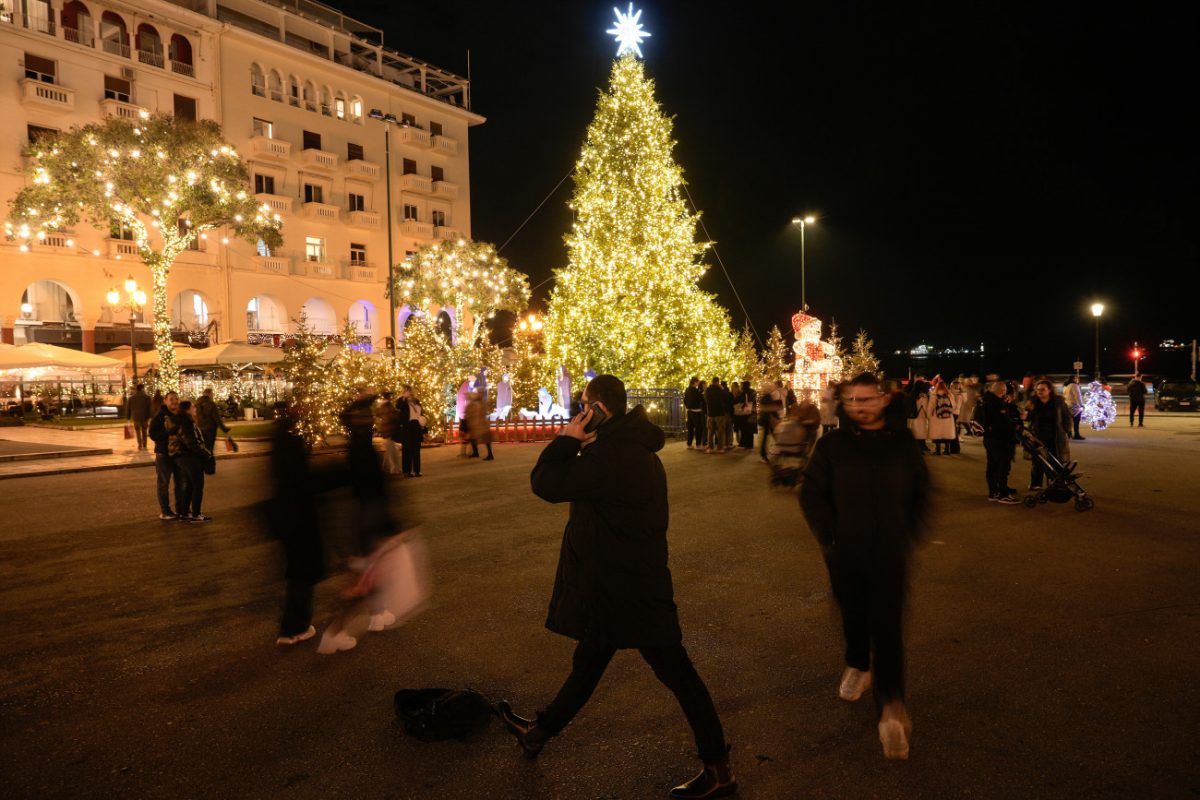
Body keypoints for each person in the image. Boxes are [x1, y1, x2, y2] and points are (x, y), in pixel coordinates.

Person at [498, 375, 735, 799]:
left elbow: (545, 483)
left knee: (679, 675)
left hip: (630, 591)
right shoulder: (623, 450)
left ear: (598, 411)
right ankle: (537, 734)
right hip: (616, 588)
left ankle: (719, 772)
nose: (577, 413)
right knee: (589, 664)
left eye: (583, 406)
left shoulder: (611, 457)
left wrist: (567, 439)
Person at [799, 373, 930, 761]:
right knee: (854, 616)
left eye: (867, 398)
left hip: (890, 553)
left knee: (888, 629)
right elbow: (812, 495)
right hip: (845, 552)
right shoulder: (832, 445)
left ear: (883, 400)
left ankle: (891, 709)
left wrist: (908, 532)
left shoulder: (901, 443)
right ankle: (858, 663)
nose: (859, 405)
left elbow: (921, 491)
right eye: (852, 399)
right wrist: (829, 536)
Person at [268, 402, 324, 647]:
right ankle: (294, 627)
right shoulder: (293, 445)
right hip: (301, 518)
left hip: (286, 516)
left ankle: (291, 625)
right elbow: (306, 481)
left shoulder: (278, 443)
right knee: (303, 573)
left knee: (297, 572)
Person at [166, 400, 212, 523]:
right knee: (198, 485)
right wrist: (206, 453)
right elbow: (191, 443)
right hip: (188, 456)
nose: (195, 409)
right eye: (193, 407)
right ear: (187, 410)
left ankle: (184, 513)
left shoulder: (179, 421)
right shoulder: (186, 422)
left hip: (181, 456)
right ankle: (196, 514)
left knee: (189, 485)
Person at [1024, 379, 1072, 491]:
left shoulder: (1058, 402)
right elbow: (1027, 417)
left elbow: (1066, 417)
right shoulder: (1033, 402)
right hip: (1037, 437)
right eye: (1038, 389)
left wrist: (1067, 430)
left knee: (1055, 460)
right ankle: (1036, 483)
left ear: (1049, 390)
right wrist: (1025, 417)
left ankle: (1054, 482)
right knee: (1037, 461)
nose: (1039, 392)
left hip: (1055, 437)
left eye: (1042, 389)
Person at [978, 381, 1020, 503]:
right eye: (1002, 390)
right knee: (1002, 466)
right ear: (994, 389)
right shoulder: (994, 403)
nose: (1004, 392)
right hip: (999, 439)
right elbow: (1001, 422)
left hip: (991, 438)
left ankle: (994, 491)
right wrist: (1013, 428)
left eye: (1005, 390)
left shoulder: (986, 400)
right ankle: (1002, 494)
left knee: (993, 465)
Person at [148, 391, 181, 520]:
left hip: (178, 454)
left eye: (176, 399)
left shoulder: (180, 415)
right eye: (171, 399)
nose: (174, 401)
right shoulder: (159, 416)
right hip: (164, 454)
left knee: (180, 482)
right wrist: (168, 432)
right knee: (163, 483)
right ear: (165, 401)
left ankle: (181, 508)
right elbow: (153, 434)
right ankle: (165, 511)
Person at [395, 385, 425, 477]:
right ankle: (407, 471)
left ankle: (417, 470)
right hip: (407, 427)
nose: (409, 392)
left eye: (410, 390)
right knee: (407, 450)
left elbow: (421, 414)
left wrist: (424, 427)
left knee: (416, 449)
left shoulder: (417, 402)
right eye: (407, 391)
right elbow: (398, 406)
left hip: (417, 426)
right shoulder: (402, 401)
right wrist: (404, 397)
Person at [195, 387, 230, 456]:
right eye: (212, 394)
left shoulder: (196, 404)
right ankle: (210, 461)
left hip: (200, 428)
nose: (213, 395)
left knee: (203, 446)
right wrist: (224, 429)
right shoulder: (211, 404)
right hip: (210, 428)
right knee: (210, 447)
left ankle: (204, 461)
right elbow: (217, 418)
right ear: (210, 394)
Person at [928, 381, 957, 456]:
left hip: (936, 417)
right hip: (947, 417)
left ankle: (938, 451)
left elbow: (930, 407)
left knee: (937, 434)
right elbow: (954, 406)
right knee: (947, 434)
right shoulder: (949, 394)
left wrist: (928, 416)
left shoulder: (934, 394)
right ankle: (947, 450)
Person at [465, 389, 494, 460]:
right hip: (477, 425)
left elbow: (476, 414)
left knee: (485, 439)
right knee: (473, 439)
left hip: (480, 424)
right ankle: (476, 452)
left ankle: (490, 454)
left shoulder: (479, 404)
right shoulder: (477, 404)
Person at [703, 376, 729, 453]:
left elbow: (705, 399)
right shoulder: (720, 390)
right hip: (720, 413)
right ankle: (720, 448)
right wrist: (723, 389)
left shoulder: (707, 390)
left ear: (712, 381)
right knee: (720, 431)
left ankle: (710, 448)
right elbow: (726, 398)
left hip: (710, 413)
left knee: (710, 431)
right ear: (718, 382)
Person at [127, 383, 151, 451]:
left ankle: (139, 445)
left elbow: (128, 408)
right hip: (145, 417)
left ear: (136, 389)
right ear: (142, 389)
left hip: (136, 417)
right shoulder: (147, 397)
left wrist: (128, 417)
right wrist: (149, 416)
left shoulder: (131, 398)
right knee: (144, 431)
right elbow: (149, 408)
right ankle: (145, 445)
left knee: (137, 431)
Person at [683, 377, 706, 450]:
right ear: (695, 382)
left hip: (689, 410)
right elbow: (701, 399)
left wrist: (687, 406)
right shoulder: (696, 391)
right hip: (696, 411)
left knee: (690, 427)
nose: (698, 383)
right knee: (698, 427)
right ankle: (698, 444)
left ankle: (689, 443)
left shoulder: (687, 389)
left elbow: (685, 399)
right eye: (697, 382)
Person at [908, 383, 930, 452]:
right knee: (920, 432)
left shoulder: (911, 394)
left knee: (914, 432)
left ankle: (916, 447)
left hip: (912, 416)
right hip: (920, 415)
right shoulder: (923, 396)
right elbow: (926, 407)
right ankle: (921, 447)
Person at [739, 380, 756, 449]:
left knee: (744, 428)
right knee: (750, 429)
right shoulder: (753, 391)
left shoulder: (743, 392)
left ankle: (745, 444)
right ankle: (750, 444)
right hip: (752, 411)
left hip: (745, 412)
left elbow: (742, 402)